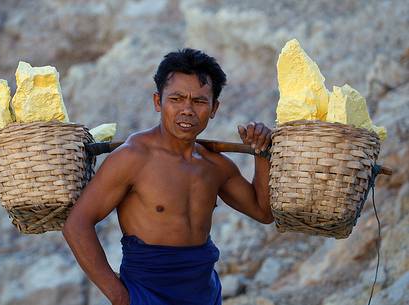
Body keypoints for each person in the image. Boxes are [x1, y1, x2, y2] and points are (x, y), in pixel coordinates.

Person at [62, 48, 274, 305]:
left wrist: (261, 152)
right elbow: (77, 225)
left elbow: (263, 212)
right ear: (157, 102)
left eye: (199, 101)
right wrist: (119, 296)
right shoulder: (133, 158)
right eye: (176, 98)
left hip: (204, 293)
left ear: (214, 108)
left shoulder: (214, 165)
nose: (187, 110)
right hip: (147, 294)